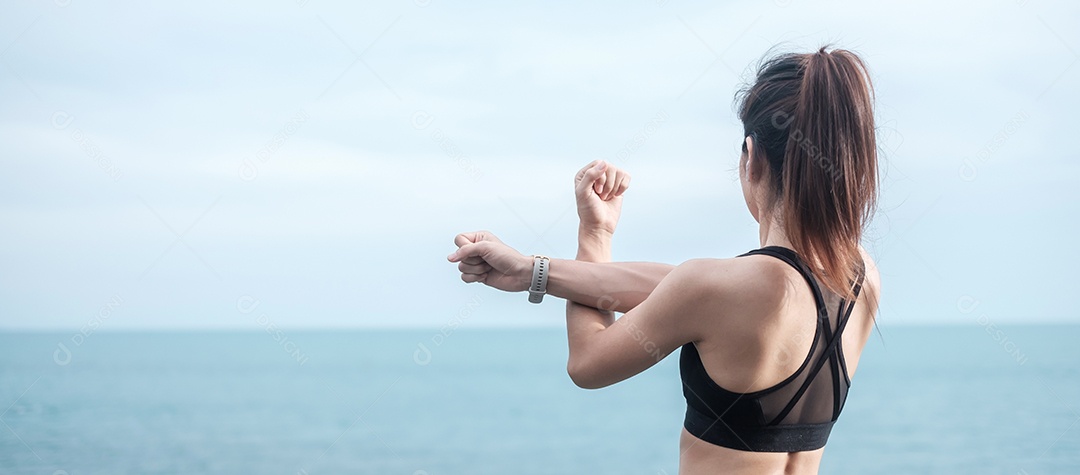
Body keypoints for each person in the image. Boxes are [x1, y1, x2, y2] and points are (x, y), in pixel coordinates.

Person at [446, 46, 882, 474]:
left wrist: (593, 233)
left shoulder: (723, 289)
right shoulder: (860, 278)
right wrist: (530, 269)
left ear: (751, 158)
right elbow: (679, 289)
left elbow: (587, 364)